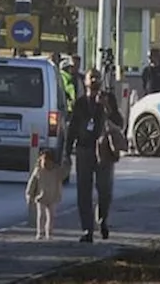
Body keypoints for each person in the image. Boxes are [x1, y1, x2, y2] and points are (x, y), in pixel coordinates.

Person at [64, 69, 123, 243]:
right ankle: (87, 229)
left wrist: (107, 107)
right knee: (84, 191)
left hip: (104, 149)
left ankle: (102, 219)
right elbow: (73, 127)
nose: (95, 81)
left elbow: (119, 122)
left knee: (105, 189)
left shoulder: (108, 99)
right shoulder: (80, 103)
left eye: (97, 78)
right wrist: (67, 152)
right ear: (86, 82)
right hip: (84, 149)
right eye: (92, 78)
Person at [25, 149, 65, 240]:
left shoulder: (56, 171)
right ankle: (40, 232)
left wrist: (59, 195)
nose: (46, 163)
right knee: (41, 215)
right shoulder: (38, 170)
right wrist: (29, 194)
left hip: (53, 197)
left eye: (48, 161)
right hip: (41, 197)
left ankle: (49, 233)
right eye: (44, 160)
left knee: (51, 216)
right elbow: (32, 183)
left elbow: (60, 182)